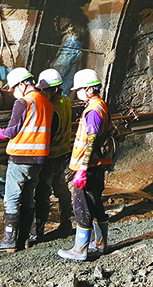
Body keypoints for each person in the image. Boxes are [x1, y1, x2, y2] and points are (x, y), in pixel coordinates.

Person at [0, 67, 53, 253]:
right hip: (39, 160)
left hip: (20, 158)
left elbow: (12, 131)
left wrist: (0, 133)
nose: (14, 91)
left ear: (23, 84)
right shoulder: (47, 103)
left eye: (15, 87)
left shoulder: (23, 102)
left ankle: (9, 240)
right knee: (28, 198)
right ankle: (24, 240)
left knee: (12, 199)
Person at [57, 69, 112, 261]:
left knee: (82, 206)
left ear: (89, 89)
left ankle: (80, 249)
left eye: (80, 89)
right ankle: (101, 242)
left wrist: (82, 169)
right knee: (95, 203)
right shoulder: (100, 105)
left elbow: (91, 141)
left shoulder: (93, 111)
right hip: (97, 165)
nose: (77, 92)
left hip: (88, 167)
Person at [27, 68, 74, 246]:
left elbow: (47, 133)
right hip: (62, 155)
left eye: (44, 90)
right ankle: (65, 223)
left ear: (54, 90)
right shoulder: (66, 101)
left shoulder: (51, 108)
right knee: (62, 189)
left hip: (50, 157)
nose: (41, 92)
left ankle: (37, 232)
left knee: (42, 194)